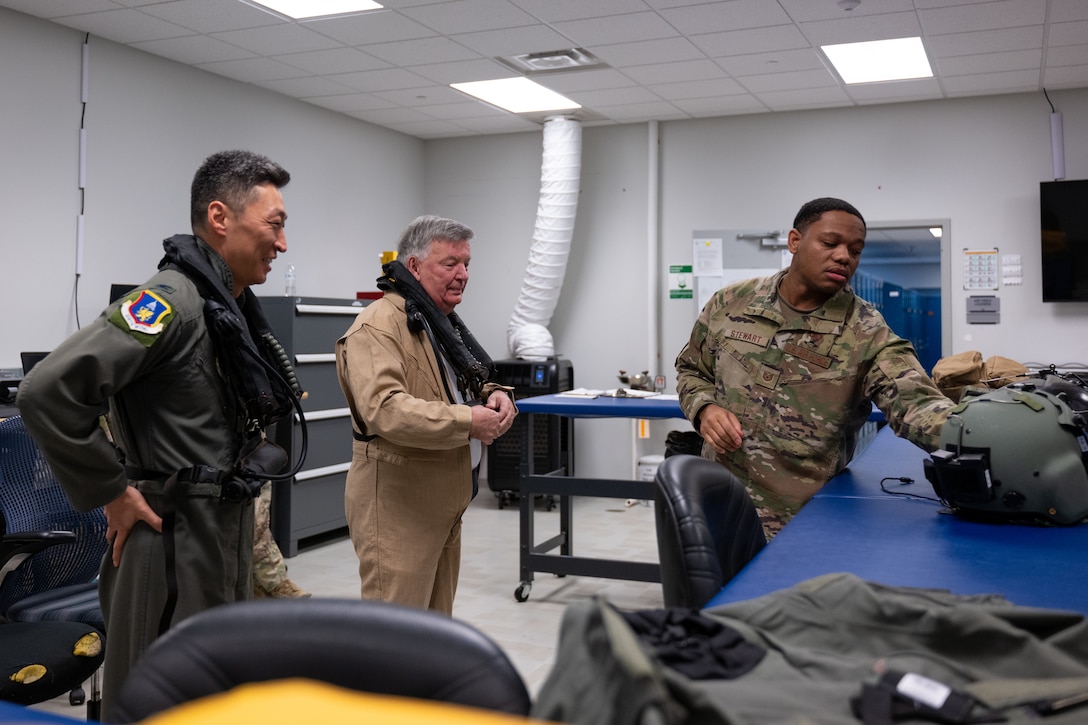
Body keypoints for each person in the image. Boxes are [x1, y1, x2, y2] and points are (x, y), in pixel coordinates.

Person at [17, 149, 298, 717]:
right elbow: (45, 391)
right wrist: (112, 492)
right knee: (158, 699)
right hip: (171, 540)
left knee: (214, 697)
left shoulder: (226, 309)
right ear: (221, 218)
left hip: (221, 534)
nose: (283, 243)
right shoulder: (170, 302)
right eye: (275, 225)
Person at [675, 197, 953, 540]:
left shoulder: (865, 331)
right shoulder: (730, 303)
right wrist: (705, 408)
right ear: (795, 241)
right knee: (711, 592)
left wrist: (980, 437)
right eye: (830, 243)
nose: (844, 257)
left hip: (798, 523)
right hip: (717, 500)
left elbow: (916, 401)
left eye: (855, 249)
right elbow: (691, 370)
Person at [336, 215, 516, 615]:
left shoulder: (436, 324)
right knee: (394, 639)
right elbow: (386, 410)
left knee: (434, 632)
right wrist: (470, 422)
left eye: (467, 264)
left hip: (443, 507)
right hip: (399, 510)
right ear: (414, 266)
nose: (463, 274)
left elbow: (453, 383)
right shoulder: (378, 327)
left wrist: (495, 394)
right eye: (450, 263)